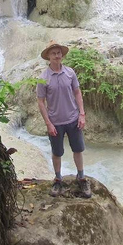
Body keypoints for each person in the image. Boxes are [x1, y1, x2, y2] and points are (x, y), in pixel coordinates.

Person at [36, 41, 91, 198]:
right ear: (48, 56)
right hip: (55, 122)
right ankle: (58, 179)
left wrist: (82, 114)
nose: (57, 55)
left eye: (59, 52)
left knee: (78, 149)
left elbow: (77, 92)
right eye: (53, 53)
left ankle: (81, 177)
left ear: (62, 55)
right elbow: (40, 101)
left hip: (73, 118)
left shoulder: (70, 73)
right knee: (57, 152)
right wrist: (48, 123)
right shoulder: (43, 78)